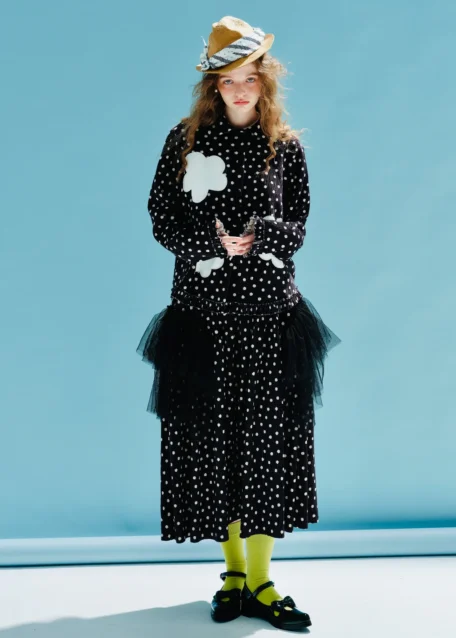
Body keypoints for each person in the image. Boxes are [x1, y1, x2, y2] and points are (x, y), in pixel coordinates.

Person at [136, 15, 341, 631]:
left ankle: (262, 579)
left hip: (270, 317)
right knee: (213, 444)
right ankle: (231, 576)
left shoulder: (286, 146)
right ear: (213, 86)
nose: (240, 89)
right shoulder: (184, 140)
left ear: (265, 82)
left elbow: (299, 222)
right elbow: (160, 215)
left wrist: (262, 236)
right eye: (228, 80)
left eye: (250, 78)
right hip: (202, 317)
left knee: (267, 446)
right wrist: (211, 241)